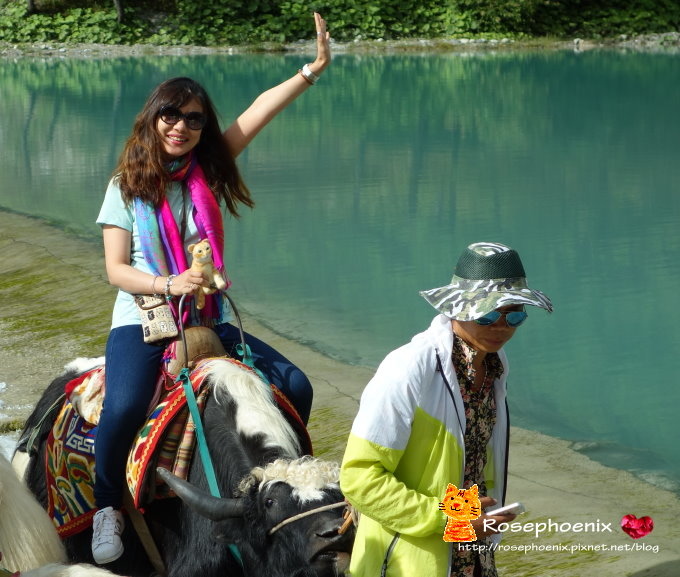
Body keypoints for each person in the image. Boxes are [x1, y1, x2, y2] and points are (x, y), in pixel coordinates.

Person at [91, 13, 330, 565]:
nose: (181, 127)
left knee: (298, 385)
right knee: (125, 406)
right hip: (145, 317)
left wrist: (311, 70)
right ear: (153, 119)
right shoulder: (125, 188)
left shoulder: (208, 170)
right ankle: (107, 506)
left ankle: (273, 486)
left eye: (194, 120)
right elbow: (116, 270)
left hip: (208, 316)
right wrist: (169, 282)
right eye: (171, 115)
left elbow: (257, 114)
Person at [340, 241, 553, 577]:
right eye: (486, 315)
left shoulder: (494, 368)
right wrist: (448, 517)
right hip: (406, 561)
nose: (501, 327)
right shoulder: (409, 368)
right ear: (456, 309)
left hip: (473, 549)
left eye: (514, 315)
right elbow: (359, 478)